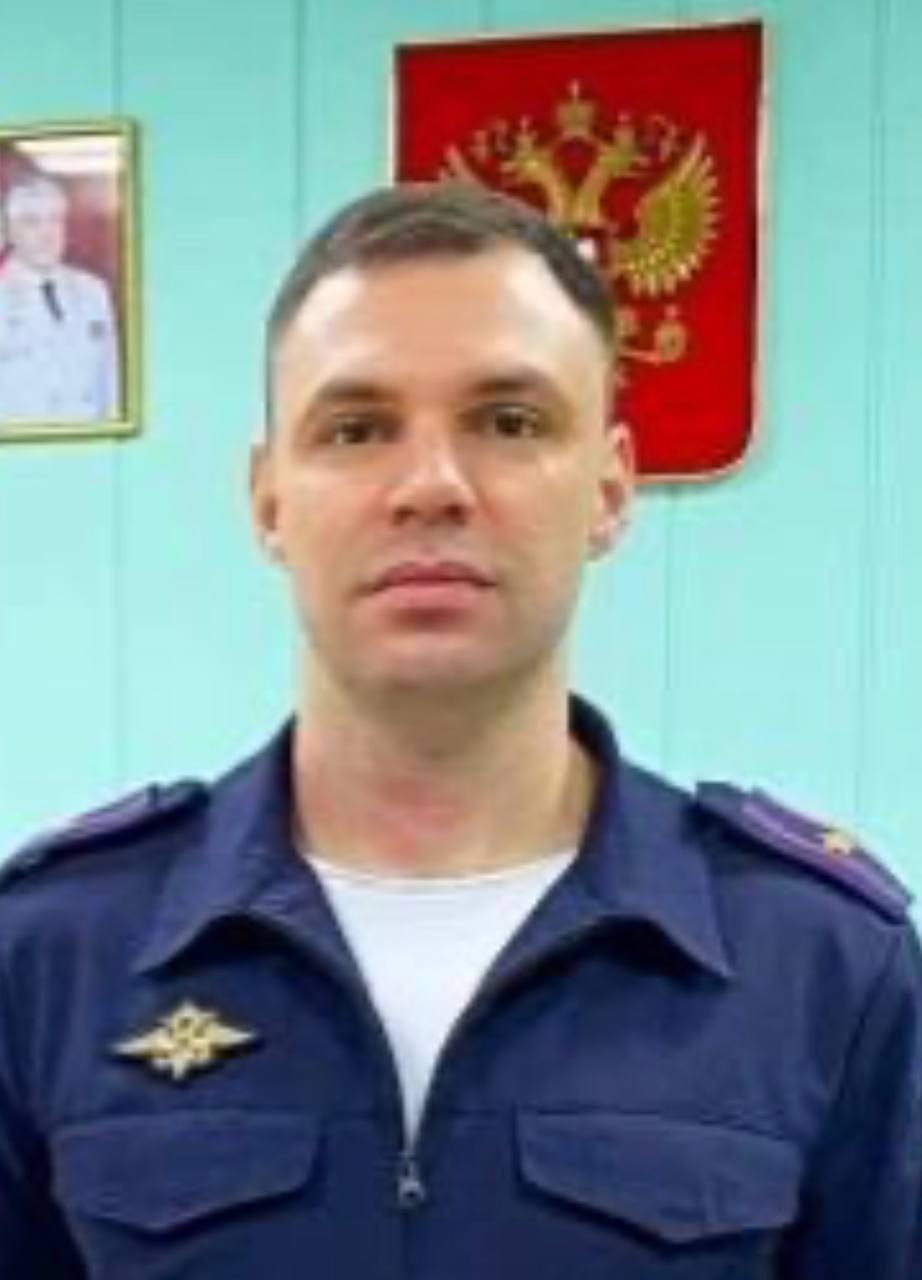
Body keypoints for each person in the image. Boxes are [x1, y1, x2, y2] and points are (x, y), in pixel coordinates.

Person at [0, 183, 919, 1279]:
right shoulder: (54, 953)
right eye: (356, 429)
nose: (431, 485)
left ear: (610, 490)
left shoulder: (819, 962)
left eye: (509, 422)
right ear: (269, 500)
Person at [0, 173, 119, 424]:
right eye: (31, 222)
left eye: (54, 220)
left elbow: (111, 383)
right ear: (9, 232)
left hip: (88, 439)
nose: (47, 234)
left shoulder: (93, 291)